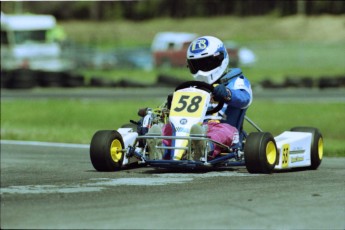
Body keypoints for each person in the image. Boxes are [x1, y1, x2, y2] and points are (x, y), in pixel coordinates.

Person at [148, 35, 252, 161]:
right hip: (192, 127)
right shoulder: (194, 87)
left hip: (222, 126)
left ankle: (204, 148)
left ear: (220, 58)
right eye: (197, 65)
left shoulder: (235, 81)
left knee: (222, 132)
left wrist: (227, 93)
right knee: (170, 128)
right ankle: (160, 149)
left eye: (206, 63)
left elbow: (245, 98)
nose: (202, 71)